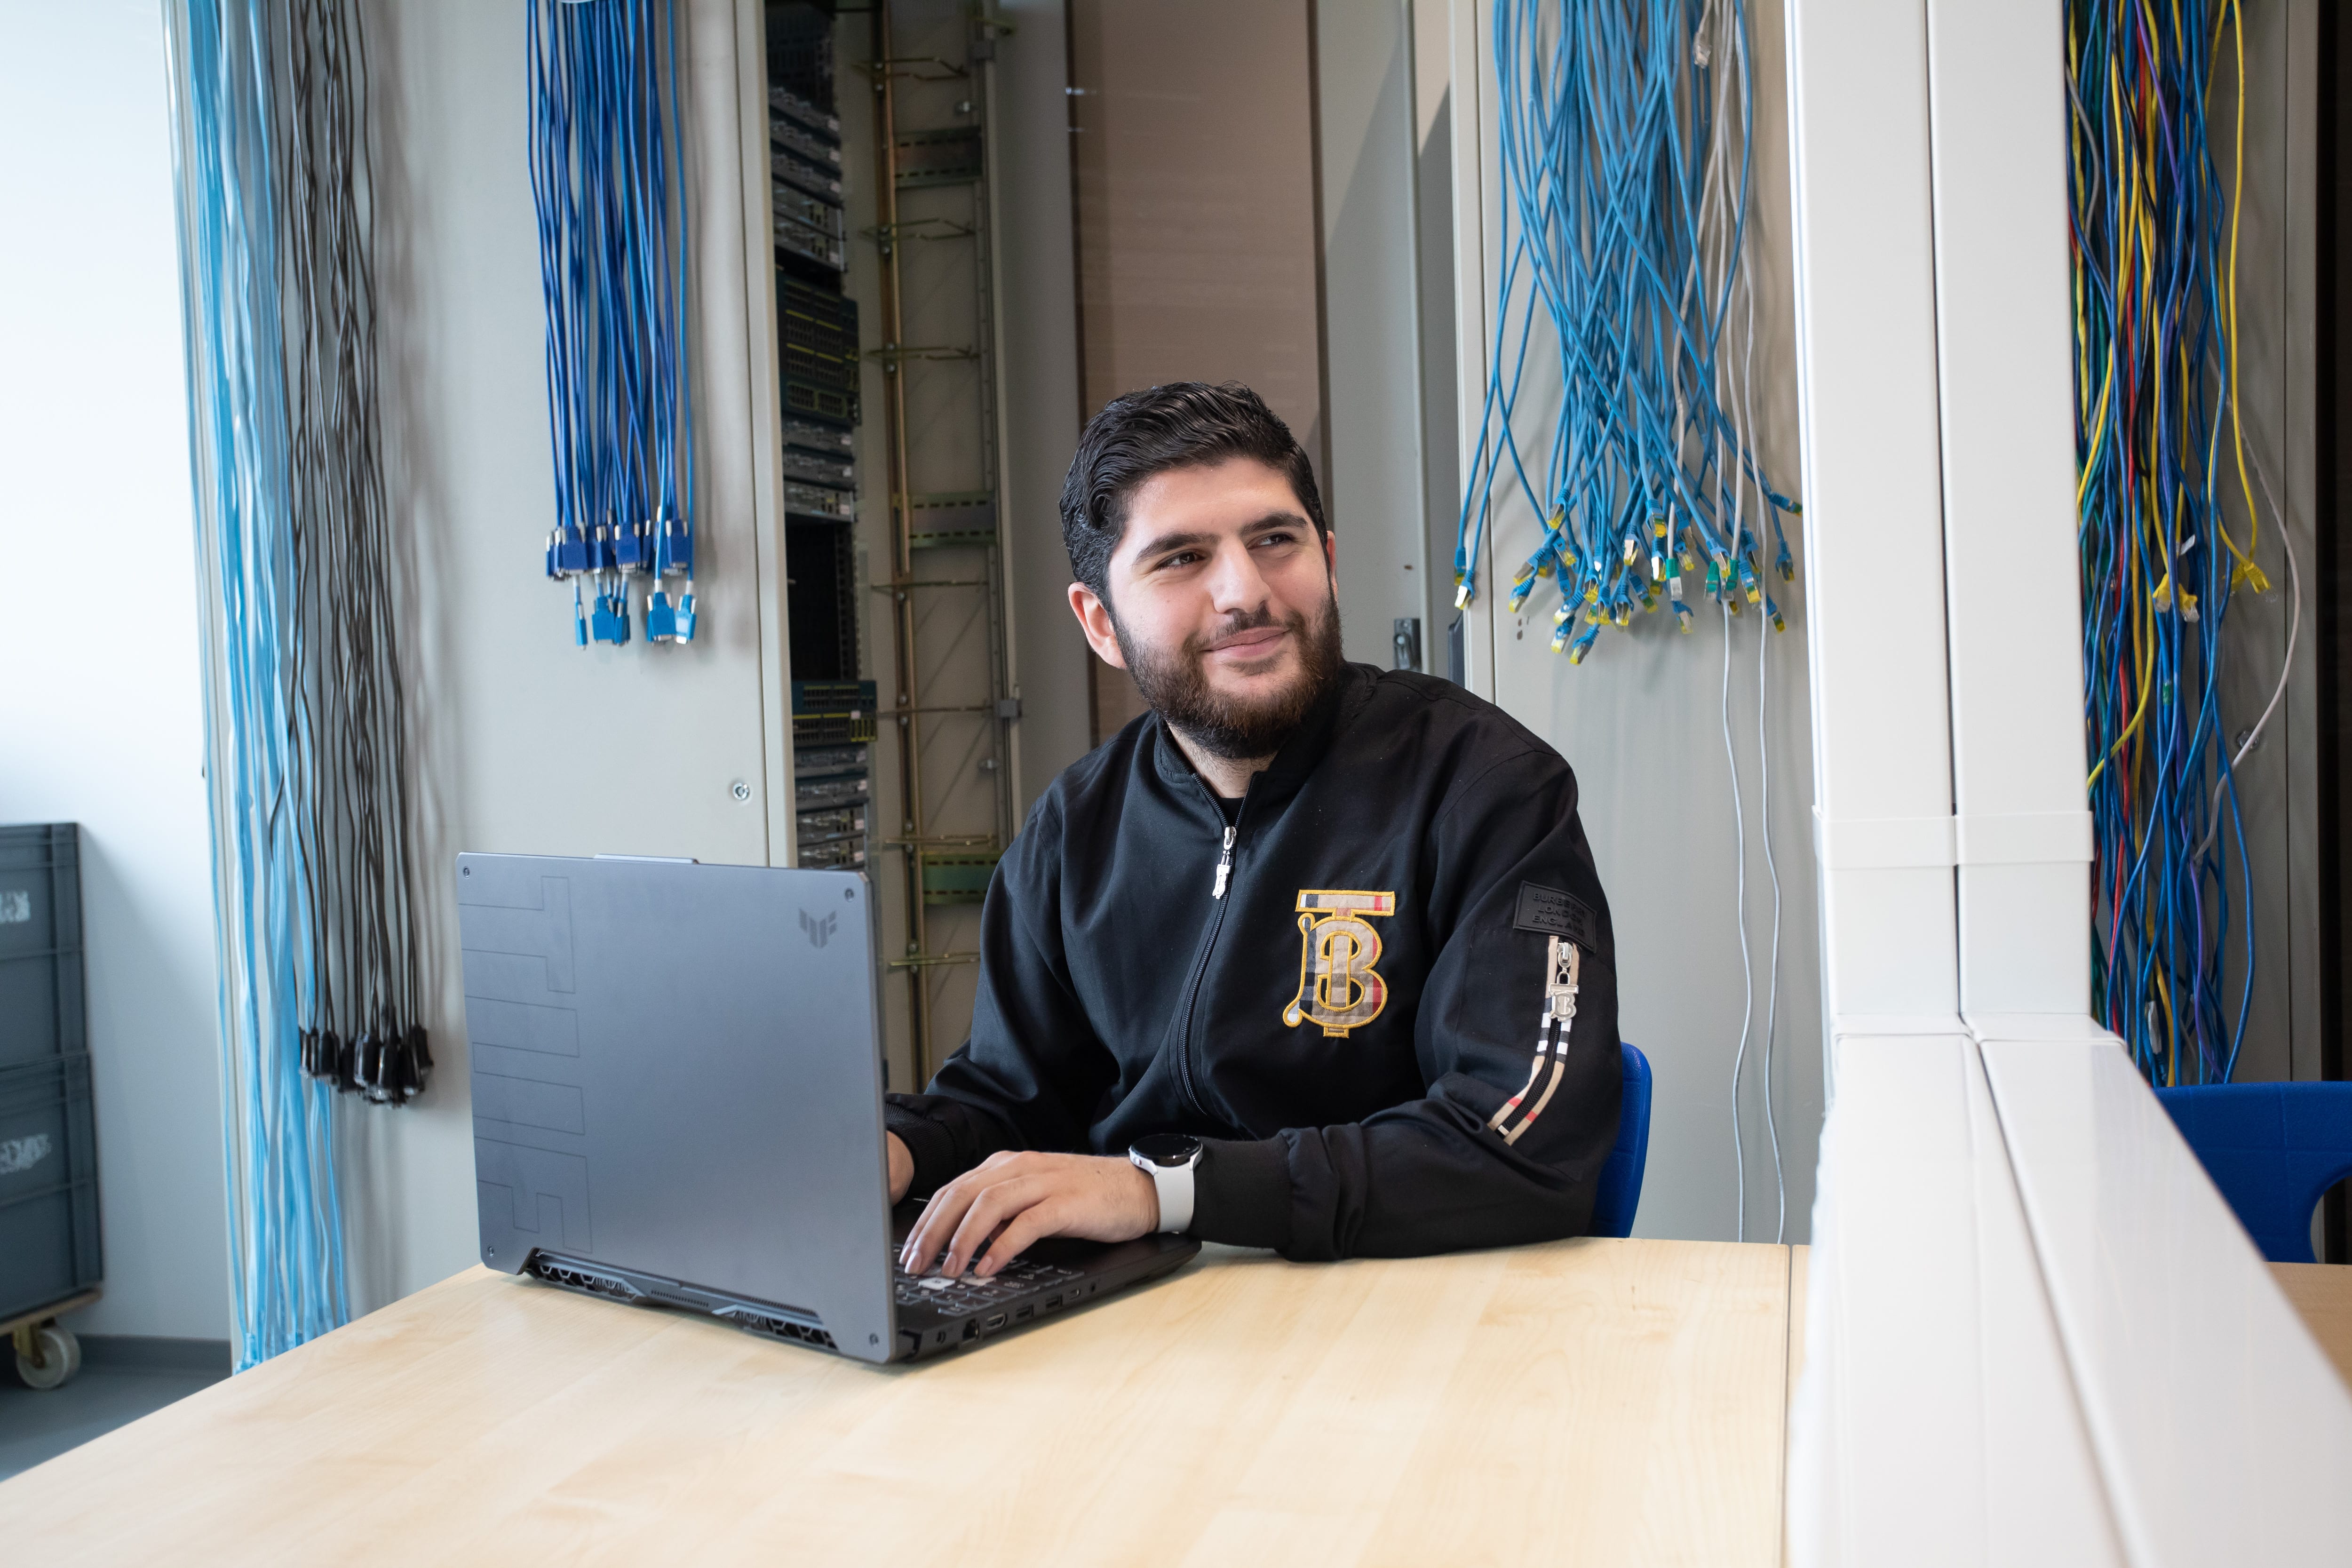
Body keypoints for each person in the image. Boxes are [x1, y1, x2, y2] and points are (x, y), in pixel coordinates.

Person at [890, 381, 1621, 1279]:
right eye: (1181, 559)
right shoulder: (1072, 832)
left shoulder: (1487, 791)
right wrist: (897, 1151)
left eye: (1276, 540)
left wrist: (1165, 1187)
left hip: (1401, 1317)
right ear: (1099, 622)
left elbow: (1522, 1144)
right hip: (1135, 1327)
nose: (1245, 591)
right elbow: (1012, 1101)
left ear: (1330, 559)